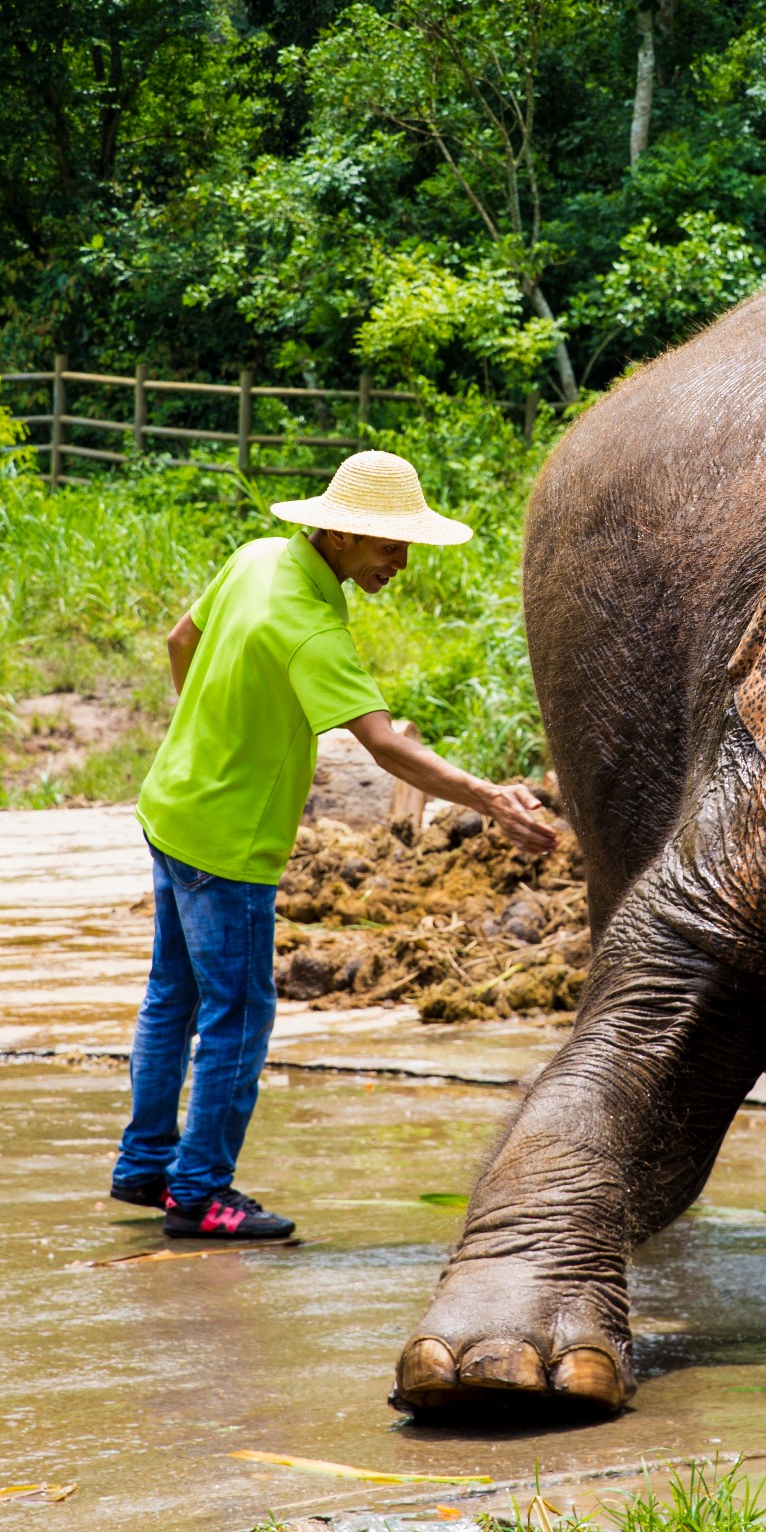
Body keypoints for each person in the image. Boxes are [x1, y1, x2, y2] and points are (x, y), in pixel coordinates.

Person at [111, 450, 557, 1242]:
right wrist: (489, 797)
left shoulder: (254, 560)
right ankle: (200, 1193)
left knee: (170, 999)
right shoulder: (311, 627)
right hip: (227, 843)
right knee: (238, 1018)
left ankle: (146, 1164)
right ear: (340, 536)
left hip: (171, 804)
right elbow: (386, 747)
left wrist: (211, 729)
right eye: (389, 545)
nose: (402, 561)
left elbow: (181, 638)